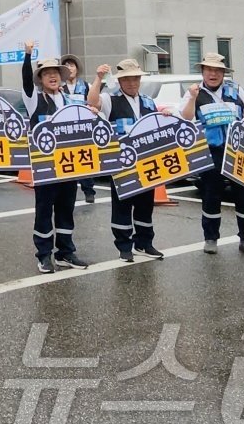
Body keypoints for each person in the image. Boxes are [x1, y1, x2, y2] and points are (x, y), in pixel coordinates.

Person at [179, 53, 244, 256]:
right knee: (210, 195)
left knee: (243, 194)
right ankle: (210, 238)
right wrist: (192, 97)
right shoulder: (194, 92)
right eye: (209, 70)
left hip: (236, 150)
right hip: (210, 151)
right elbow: (186, 116)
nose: (213, 74)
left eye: (217, 70)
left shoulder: (234, 89)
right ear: (203, 72)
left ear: (223, 73)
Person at [22, 41, 89, 273]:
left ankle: (66, 252)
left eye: (55, 73)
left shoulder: (71, 100)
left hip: (70, 165)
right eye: (47, 74)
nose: (52, 77)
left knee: (66, 209)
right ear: (40, 79)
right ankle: (43, 255)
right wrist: (27, 55)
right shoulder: (34, 100)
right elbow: (25, 83)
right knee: (44, 210)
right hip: (45, 167)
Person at [87, 60, 163, 262]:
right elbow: (92, 102)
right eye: (127, 79)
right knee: (122, 205)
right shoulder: (111, 99)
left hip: (146, 162)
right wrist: (98, 78)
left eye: (135, 78)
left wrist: (164, 116)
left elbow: (156, 125)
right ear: (120, 81)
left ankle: (144, 243)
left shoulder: (148, 101)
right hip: (121, 162)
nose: (132, 83)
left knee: (146, 205)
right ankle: (124, 246)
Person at [62, 54, 98, 204]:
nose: (70, 68)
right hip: (64, 131)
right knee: (67, 161)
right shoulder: (59, 87)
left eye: (72, 65)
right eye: (66, 66)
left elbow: (93, 103)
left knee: (85, 160)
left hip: (83, 130)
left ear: (77, 69)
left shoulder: (86, 86)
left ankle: (89, 191)